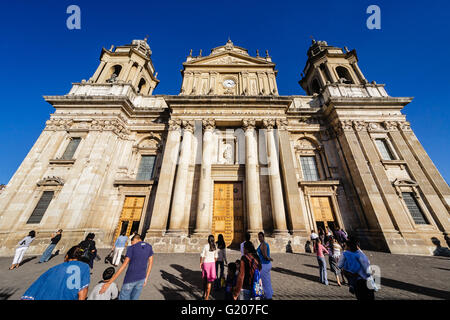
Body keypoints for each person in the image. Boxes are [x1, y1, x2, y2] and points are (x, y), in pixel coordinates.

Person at [21, 246, 90, 300]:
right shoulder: (83, 267)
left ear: (67, 256)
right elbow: (83, 290)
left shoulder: (54, 269)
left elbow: (37, 287)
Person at [100, 234, 154, 300]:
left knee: (124, 297)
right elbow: (150, 263)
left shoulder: (132, 248)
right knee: (134, 298)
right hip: (141, 279)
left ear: (135, 240)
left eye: (132, 242)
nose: (131, 244)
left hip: (130, 279)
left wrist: (109, 282)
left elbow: (124, 265)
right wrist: (146, 278)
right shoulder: (149, 247)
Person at [200, 235, 218, 300]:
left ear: (208, 239)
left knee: (204, 280)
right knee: (209, 282)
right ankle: (207, 297)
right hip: (212, 264)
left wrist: (201, 262)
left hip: (205, 263)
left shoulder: (205, 246)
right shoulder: (215, 246)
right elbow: (216, 257)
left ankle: (204, 293)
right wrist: (213, 262)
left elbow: (202, 255)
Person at [257, 232, 273, 300]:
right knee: (267, 281)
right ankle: (269, 294)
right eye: (259, 237)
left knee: (265, 282)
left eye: (261, 237)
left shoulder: (263, 245)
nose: (259, 238)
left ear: (263, 237)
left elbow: (265, 256)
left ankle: (268, 297)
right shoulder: (262, 244)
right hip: (265, 264)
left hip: (264, 265)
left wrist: (270, 258)